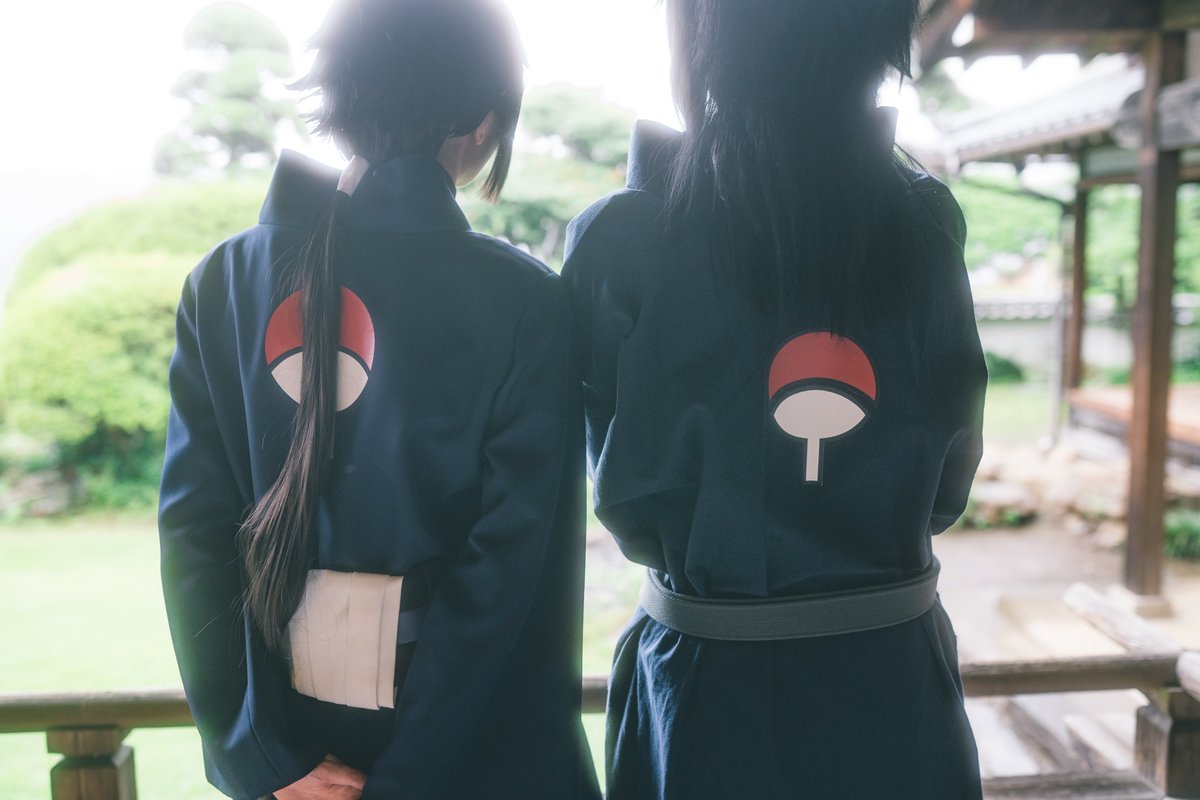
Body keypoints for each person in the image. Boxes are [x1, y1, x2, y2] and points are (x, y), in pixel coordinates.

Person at [158, 1, 601, 798]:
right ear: (482, 120)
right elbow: (508, 580)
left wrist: (260, 756)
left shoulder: (224, 281)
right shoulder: (522, 300)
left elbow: (194, 537)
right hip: (475, 762)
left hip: (297, 765)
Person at [563, 1, 987, 798]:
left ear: (702, 33)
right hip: (891, 678)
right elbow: (948, 479)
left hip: (702, 688)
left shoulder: (624, 237)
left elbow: (610, 467)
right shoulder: (926, 225)